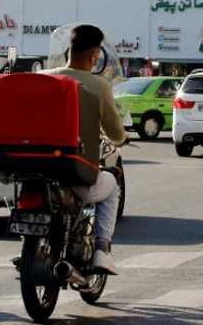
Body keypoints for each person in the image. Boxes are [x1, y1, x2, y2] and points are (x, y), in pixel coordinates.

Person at [41, 25, 127, 274]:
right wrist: (123, 138)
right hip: (73, 170)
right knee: (111, 184)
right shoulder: (98, 85)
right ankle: (102, 250)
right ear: (95, 56)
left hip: (36, 166)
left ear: (69, 49)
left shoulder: (46, 78)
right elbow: (113, 132)